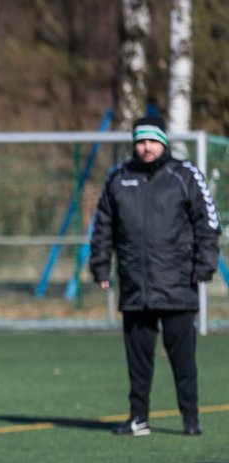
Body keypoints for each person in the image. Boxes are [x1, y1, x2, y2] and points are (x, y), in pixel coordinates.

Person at [90, 115, 222, 437]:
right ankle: (139, 418)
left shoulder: (185, 174)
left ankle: (190, 418)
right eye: (140, 141)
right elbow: (103, 226)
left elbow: (208, 223)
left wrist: (205, 266)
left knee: (183, 360)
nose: (146, 147)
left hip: (178, 285)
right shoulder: (118, 178)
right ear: (134, 144)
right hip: (136, 287)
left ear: (163, 141)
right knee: (138, 361)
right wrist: (100, 266)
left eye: (152, 141)